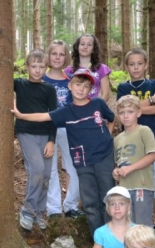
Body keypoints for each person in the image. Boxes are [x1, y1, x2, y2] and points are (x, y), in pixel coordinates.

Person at [12, 68, 115, 237]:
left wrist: (108, 136)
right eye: (78, 84)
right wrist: (21, 116)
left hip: (104, 157)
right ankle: (98, 239)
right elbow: (44, 116)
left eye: (86, 86)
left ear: (91, 90)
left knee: (108, 196)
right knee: (89, 203)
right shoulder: (67, 111)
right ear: (70, 86)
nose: (81, 89)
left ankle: (113, 238)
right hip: (83, 162)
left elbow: (111, 118)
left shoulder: (98, 104)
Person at [117, 48, 155, 240]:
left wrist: (143, 105)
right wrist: (151, 100)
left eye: (140, 63)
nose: (136, 67)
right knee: (137, 179)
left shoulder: (154, 84)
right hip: (132, 141)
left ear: (146, 65)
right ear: (126, 67)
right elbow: (124, 108)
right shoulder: (123, 87)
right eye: (132, 64)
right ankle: (135, 221)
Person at [13, 49, 58, 231]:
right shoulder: (19, 84)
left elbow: (54, 116)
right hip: (26, 132)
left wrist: (51, 140)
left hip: (45, 135)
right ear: (27, 67)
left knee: (46, 175)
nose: (37, 70)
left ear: (46, 68)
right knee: (37, 169)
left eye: (41, 66)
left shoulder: (49, 89)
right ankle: (28, 209)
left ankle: (39, 212)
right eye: (34, 66)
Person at [43, 40, 84, 220]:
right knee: (50, 169)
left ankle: (70, 205)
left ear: (66, 57)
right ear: (48, 56)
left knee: (75, 167)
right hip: (47, 130)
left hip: (69, 130)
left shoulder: (71, 80)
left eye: (61, 54)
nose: (57, 58)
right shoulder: (42, 79)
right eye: (54, 54)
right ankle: (53, 208)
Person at [112, 95, 155, 226]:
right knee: (127, 225)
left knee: (142, 226)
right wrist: (116, 172)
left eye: (130, 112)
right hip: (124, 189)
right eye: (122, 113)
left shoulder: (144, 131)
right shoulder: (117, 139)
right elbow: (118, 163)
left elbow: (153, 154)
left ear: (139, 113)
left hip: (141, 186)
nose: (125, 116)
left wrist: (130, 168)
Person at [64, 33, 111, 102]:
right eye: (82, 44)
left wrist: (97, 106)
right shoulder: (68, 70)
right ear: (77, 47)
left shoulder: (102, 68)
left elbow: (106, 94)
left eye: (89, 45)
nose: (85, 47)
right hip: (74, 106)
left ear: (93, 49)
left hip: (94, 106)